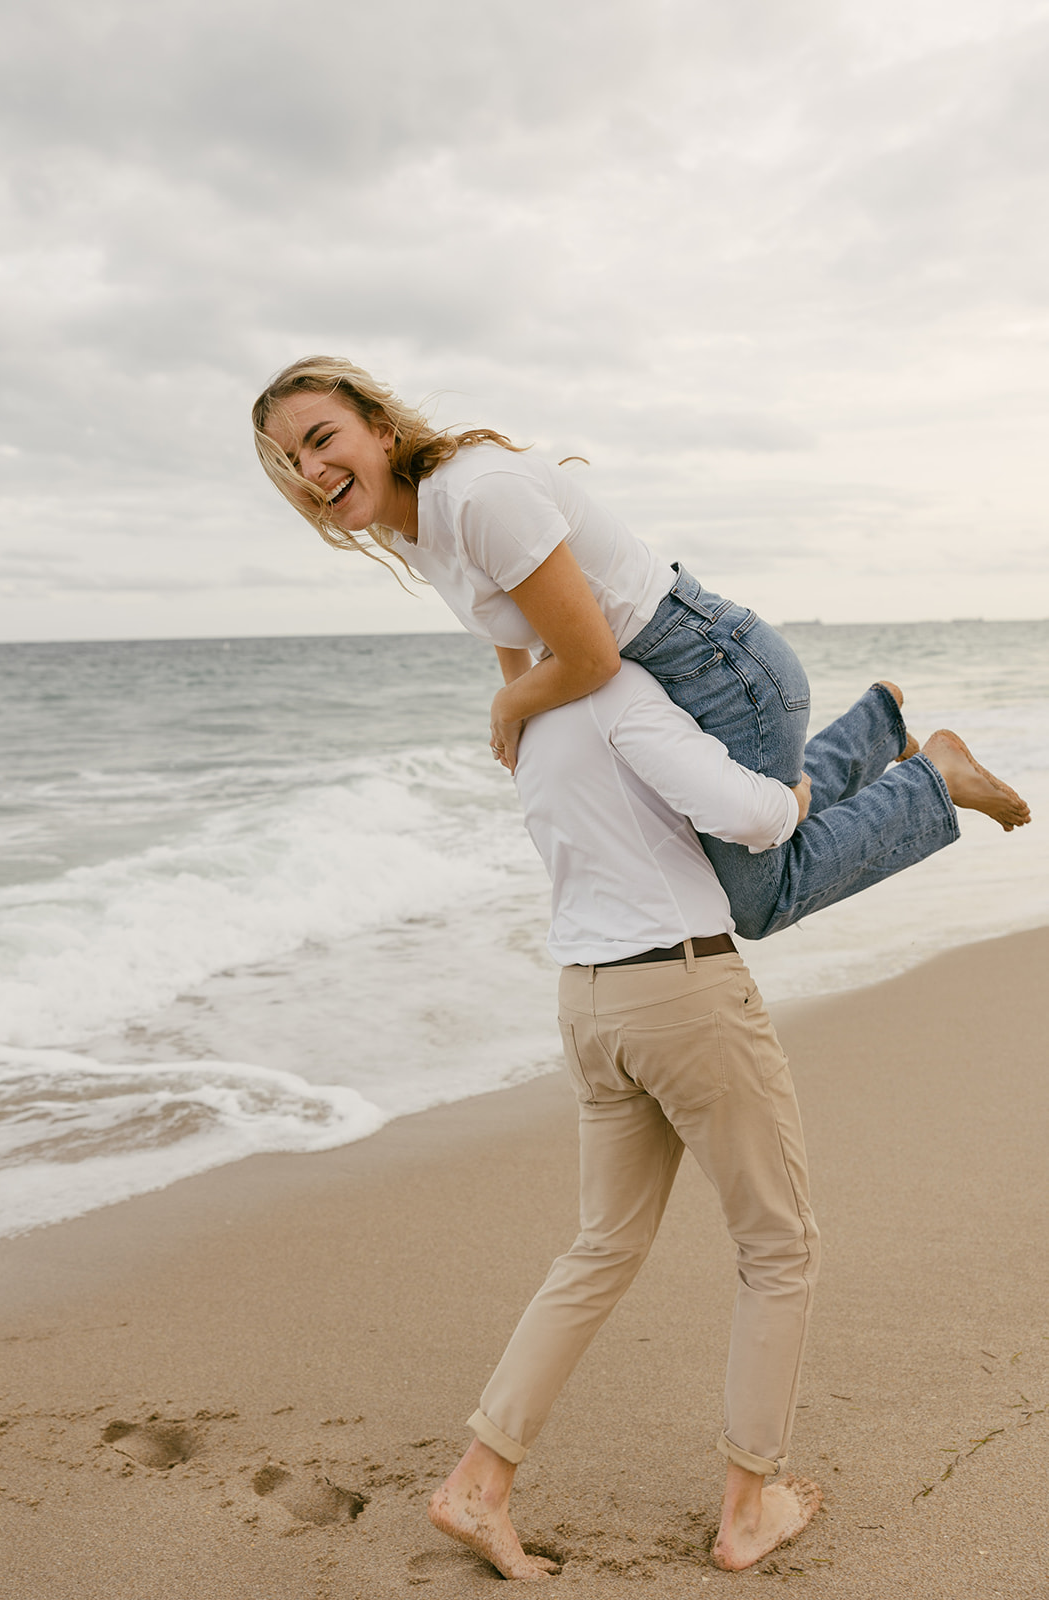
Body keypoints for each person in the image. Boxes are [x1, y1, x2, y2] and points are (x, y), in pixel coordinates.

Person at [251, 358, 1030, 939]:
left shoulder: (478, 495)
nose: (311, 470)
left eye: (321, 440)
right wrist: (519, 707)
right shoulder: (407, 519)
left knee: (759, 900)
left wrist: (509, 704)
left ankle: (936, 778)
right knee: (757, 831)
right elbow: (505, 616)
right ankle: (875, 728)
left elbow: (590, 660)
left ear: (381, 431)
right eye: (290, 464)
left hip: (720, 672)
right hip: (681, 678)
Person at [426, 659, 830, 1578]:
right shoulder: (618, 697)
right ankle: (746, 1510)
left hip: (587, 1000)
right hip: (681, 992)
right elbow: (756, 817)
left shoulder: (524, 722)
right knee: (780, 1246)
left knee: (600, 1247)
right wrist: (798, 792)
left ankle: (478, 1481)